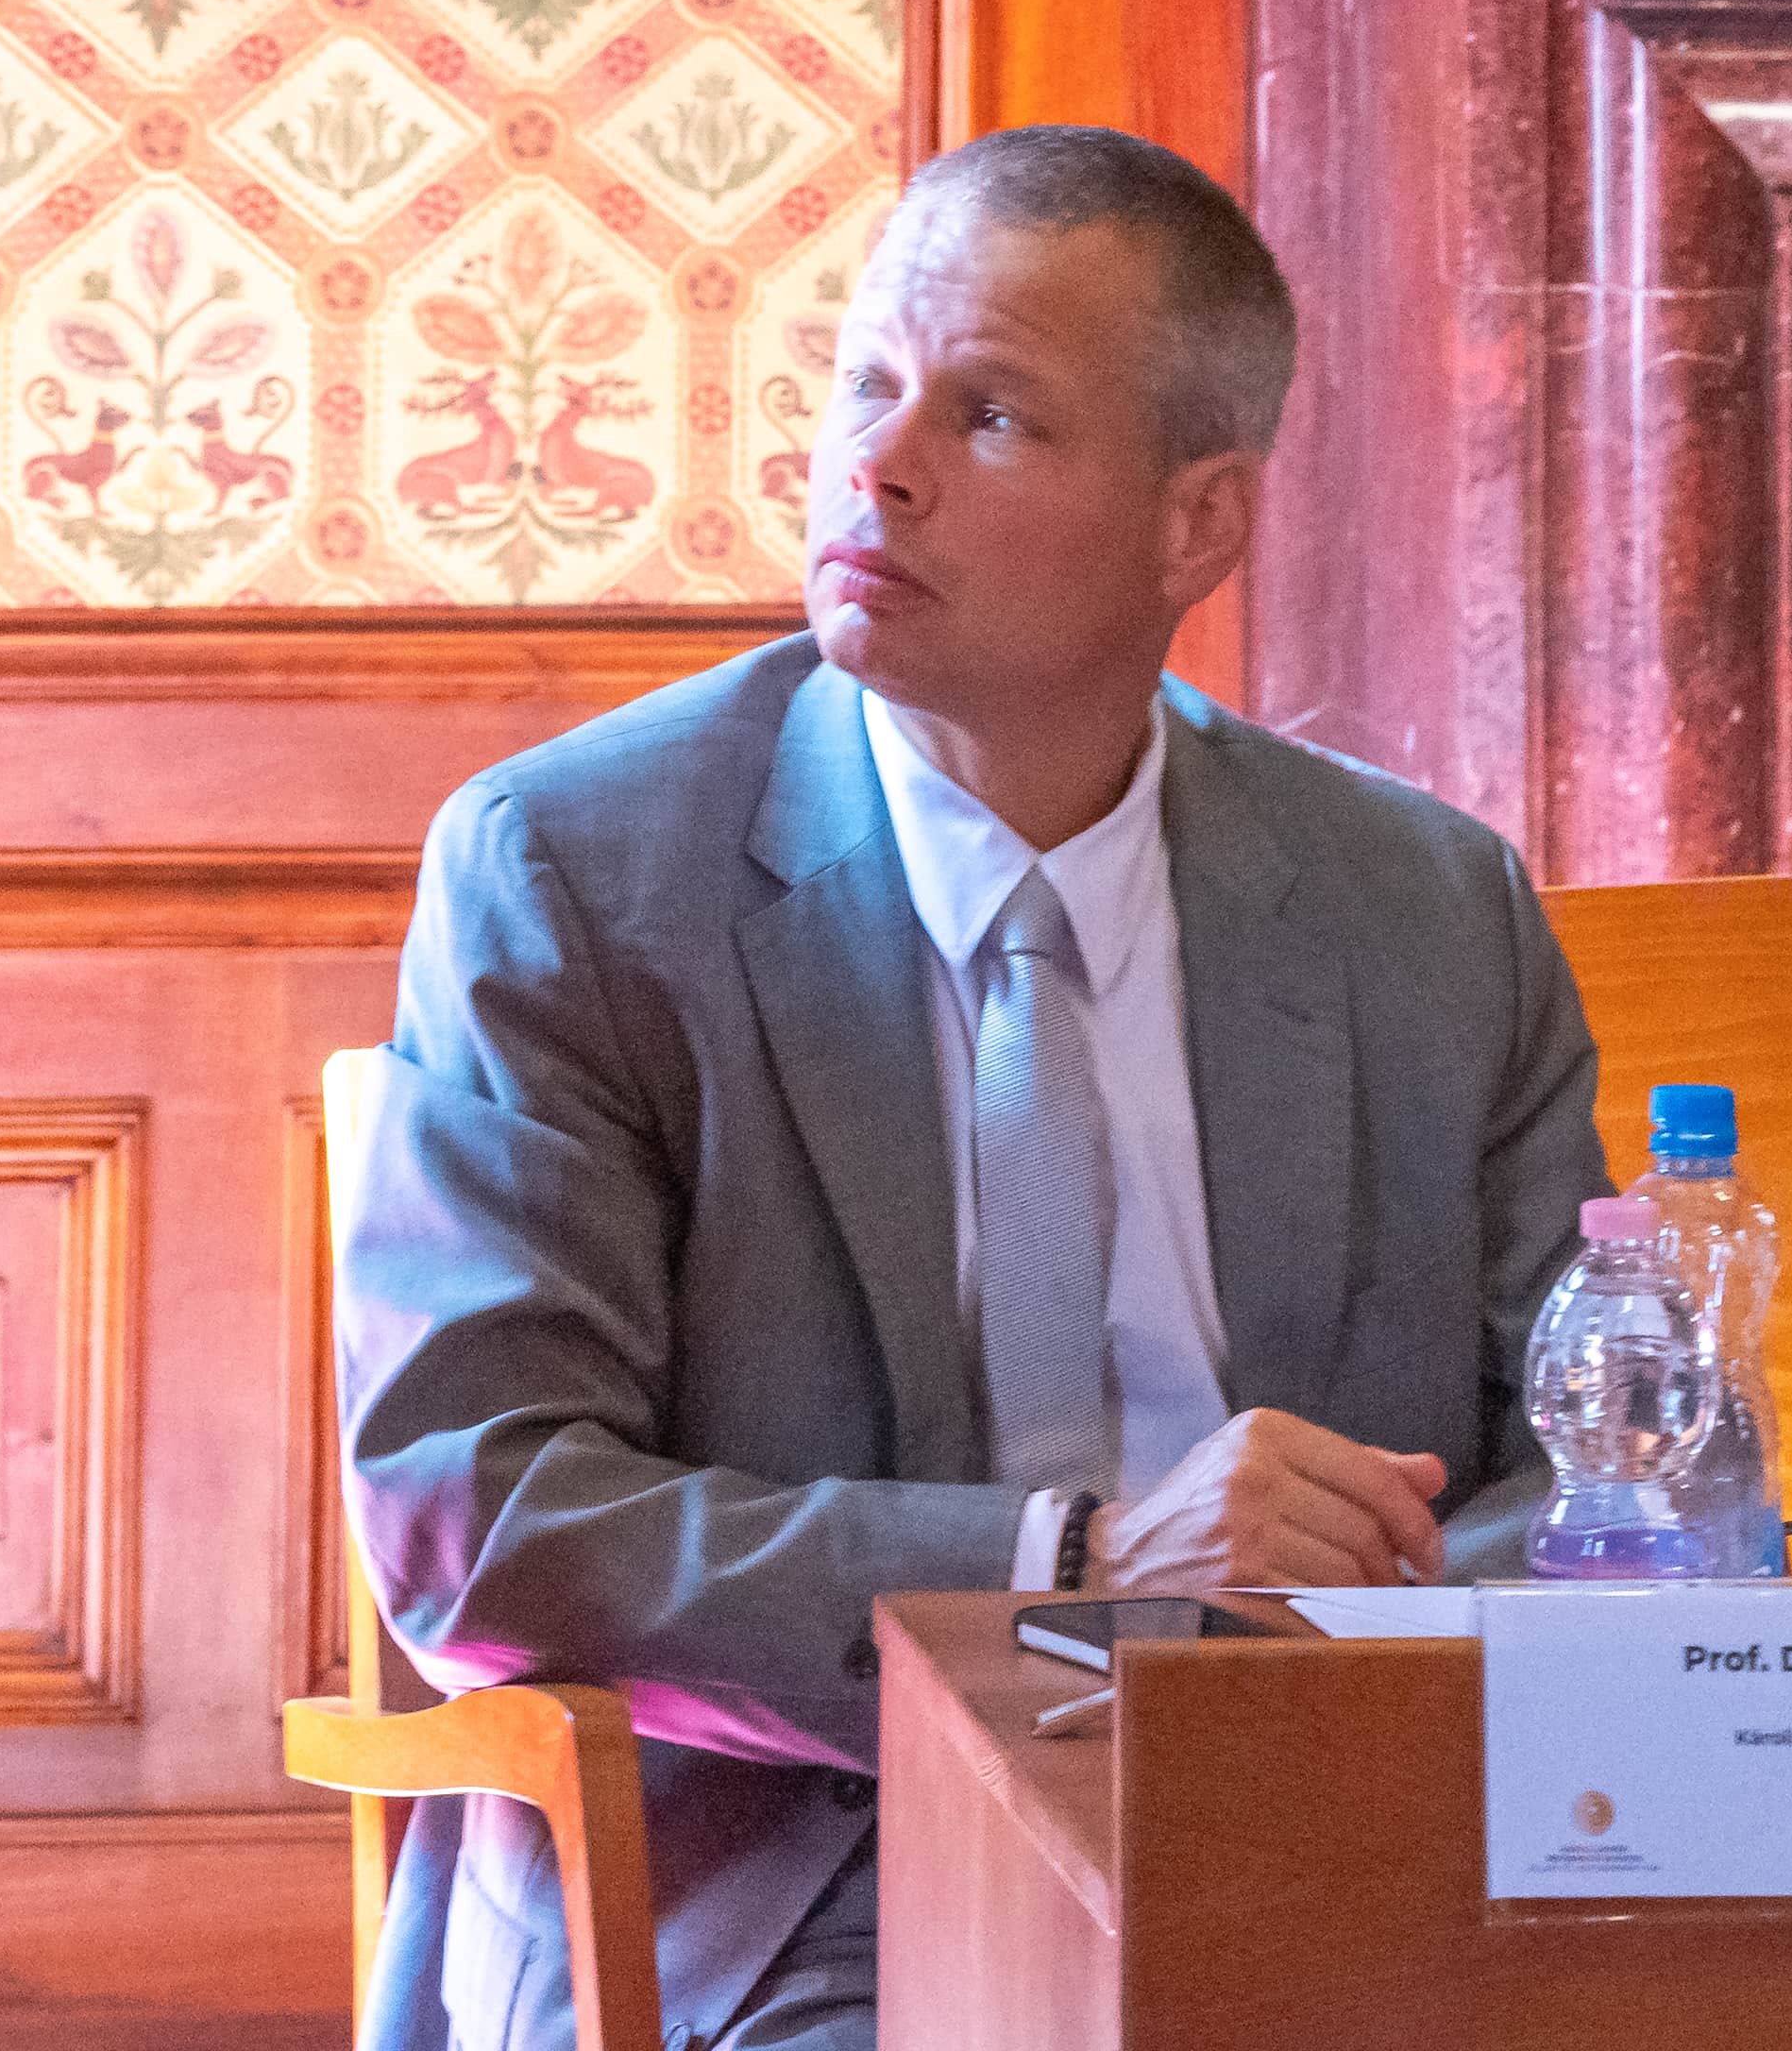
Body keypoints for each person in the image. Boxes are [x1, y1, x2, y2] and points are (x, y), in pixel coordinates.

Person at [337, 126, 1612, 2051]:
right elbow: (482, 1511)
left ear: (1196, 524)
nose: (881, 463)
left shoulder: (1425, 907)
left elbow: (1604, 1481)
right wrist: (1072, 1576)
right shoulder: (576, 872)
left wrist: (1319, 1662)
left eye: (991, 415)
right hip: (801, 1884)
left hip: (1345, 1846)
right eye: (865, 381)